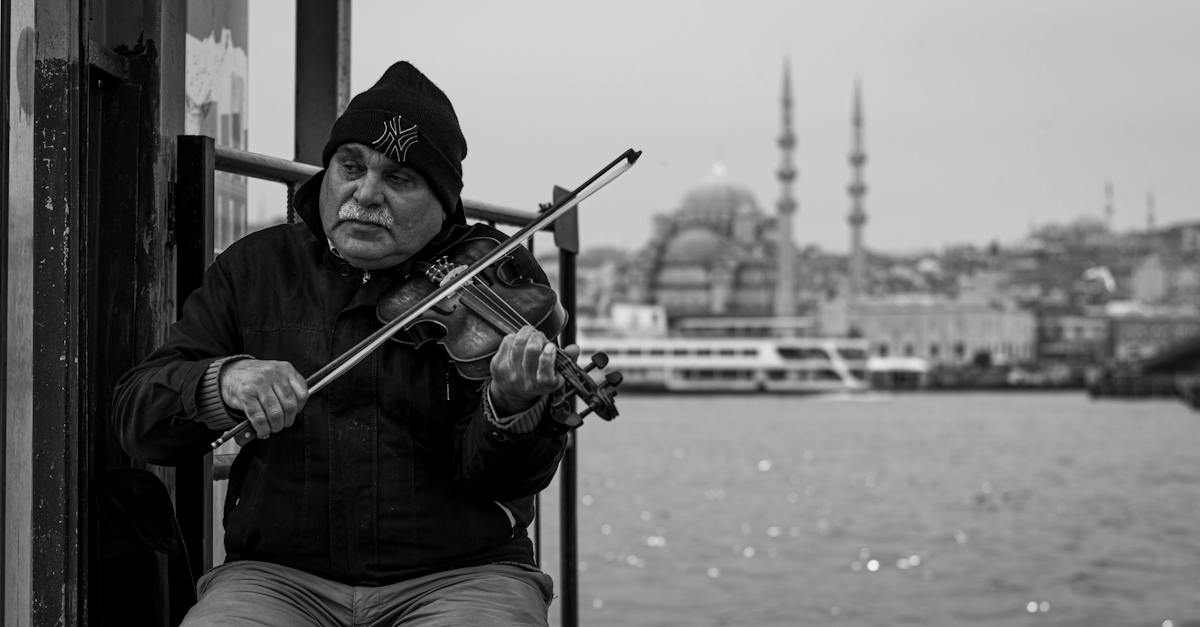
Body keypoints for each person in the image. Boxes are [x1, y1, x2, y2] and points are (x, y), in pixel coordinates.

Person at [112, 61, 575, 626]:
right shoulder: (256, 268)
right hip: (276, 575)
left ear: (444, 202)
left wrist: (512, 406)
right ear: (326, 173)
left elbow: (502, 481)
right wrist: (224, 382)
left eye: (400, 179)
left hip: (462, 573)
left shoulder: (501, 277)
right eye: (350, 167)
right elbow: (139, 418)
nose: (366, 193)